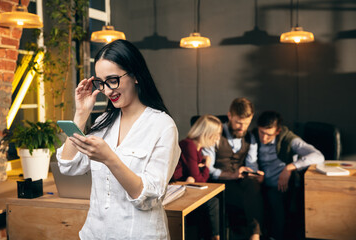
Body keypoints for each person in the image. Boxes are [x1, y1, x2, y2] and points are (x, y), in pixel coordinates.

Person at [56, 40, 181, 239]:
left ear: (136, 76)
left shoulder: (163, 126)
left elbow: (147, 198)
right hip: (94, 234)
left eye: (113, 80)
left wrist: (110, 158)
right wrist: (81, 114)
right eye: (101, 82)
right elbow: (68, 166)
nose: (107, 91)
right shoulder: (104, 121)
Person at [249, 110, 324, 240]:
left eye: (268, 135)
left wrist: (290, 167)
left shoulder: (289, 138)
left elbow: (318, 156)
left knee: (276, 202)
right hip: (259, 182)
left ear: (277, 131)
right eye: (262, 132)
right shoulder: (253, 136)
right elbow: (251, 161)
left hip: (279, 185)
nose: (264, 138)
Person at [203, 98, 264, 240]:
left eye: (247, 124)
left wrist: (256, 174)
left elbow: (252, 164)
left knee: (253, 184)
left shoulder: (250, 137)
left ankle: (255, 235)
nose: (242, 128)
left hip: (240, 182)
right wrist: (231, 175)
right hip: (218, 182)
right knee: (249, 196)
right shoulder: (215, 134)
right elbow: (208, 169)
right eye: (238, 123)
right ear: (229, 116)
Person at [173, 114, 223, 240]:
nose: (218, 138)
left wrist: (198, 172)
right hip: (174, 188)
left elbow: (196, 176)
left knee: (212, 202)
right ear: (207, 133)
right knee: (212, 203)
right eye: (216, 134)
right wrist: (207, 164)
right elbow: (200, 179)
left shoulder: (197, 148)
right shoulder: (189, 145)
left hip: (184, 187)